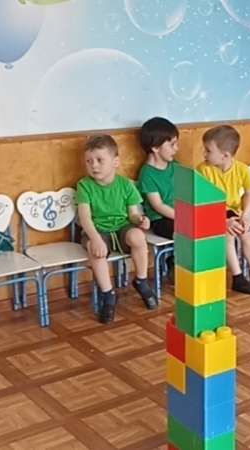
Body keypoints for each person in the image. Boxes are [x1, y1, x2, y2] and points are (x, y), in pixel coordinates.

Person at [76, 134, 158, 324]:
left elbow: (133, 214)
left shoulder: (125, 184)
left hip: (122, 228)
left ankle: (141, 281)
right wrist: (95, 239)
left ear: (115, 162)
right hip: (97, 231)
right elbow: (85, 218)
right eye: (89, 161)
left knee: (138, 236)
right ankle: (108, 295)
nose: (94, 165)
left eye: (100, 160)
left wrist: (140, 220)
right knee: (95, 250)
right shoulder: (84, 185)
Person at [197, 125, 250, 296]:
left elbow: (249, 193)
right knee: (228, 235)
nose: (204, 154)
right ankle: (238, 278)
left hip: (232, 213)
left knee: (246, 232)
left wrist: (245, 216)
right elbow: (203, 202)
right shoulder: (203, 170)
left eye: (208, 151)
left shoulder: (242, 169)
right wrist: (223, 221)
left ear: (225, 156)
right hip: (211, 212)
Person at [138, 117, 180, 284]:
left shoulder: (175, 166)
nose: (176, 149)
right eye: (172, 144)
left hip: (181, 213)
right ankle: (177, 263)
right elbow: (158, 205)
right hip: (161, 219)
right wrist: (183, 217)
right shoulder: (147, 174)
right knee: (186, 233)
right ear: (155, 147)